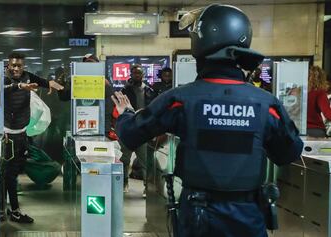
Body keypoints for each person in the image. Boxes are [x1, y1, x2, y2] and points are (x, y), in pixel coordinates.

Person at [112, 4, 303, 237]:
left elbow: (132, 134)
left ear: (200, 42)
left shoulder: (181, 99)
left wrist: (125, 113)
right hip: (248, 216)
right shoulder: (267, 104)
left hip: (198, 216)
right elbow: (289, 152)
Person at [0, 52, 64, 223]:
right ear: (8, 65)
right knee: (7, 173)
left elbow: (43, 81)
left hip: (21, 133)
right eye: (13, 65)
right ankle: (8, 211)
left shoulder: (27, 76)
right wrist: (20, 86)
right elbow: (2, 89)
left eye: (19, 65)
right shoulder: (4, 79)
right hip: (8, 135)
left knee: (13, 173)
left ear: (23, 66)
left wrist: (50, 83)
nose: (15, 68)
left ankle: (9, 210)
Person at [118, 64, 154, 196]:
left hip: (143, 129)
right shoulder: (125, 91)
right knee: (124, 160)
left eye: (139, 73)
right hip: (128, 129)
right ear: (131, 75)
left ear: (143, 75)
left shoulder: (149, 91)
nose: (137, 75)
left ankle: (147, 187)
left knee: (145, 161)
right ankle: (123, 183)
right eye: (134, 73)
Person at [307, 66, 331, 137]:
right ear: (322, 79)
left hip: (298, 131)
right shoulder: (320, 93)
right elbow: (327, 113)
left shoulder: (300, 92)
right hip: (315, 130)